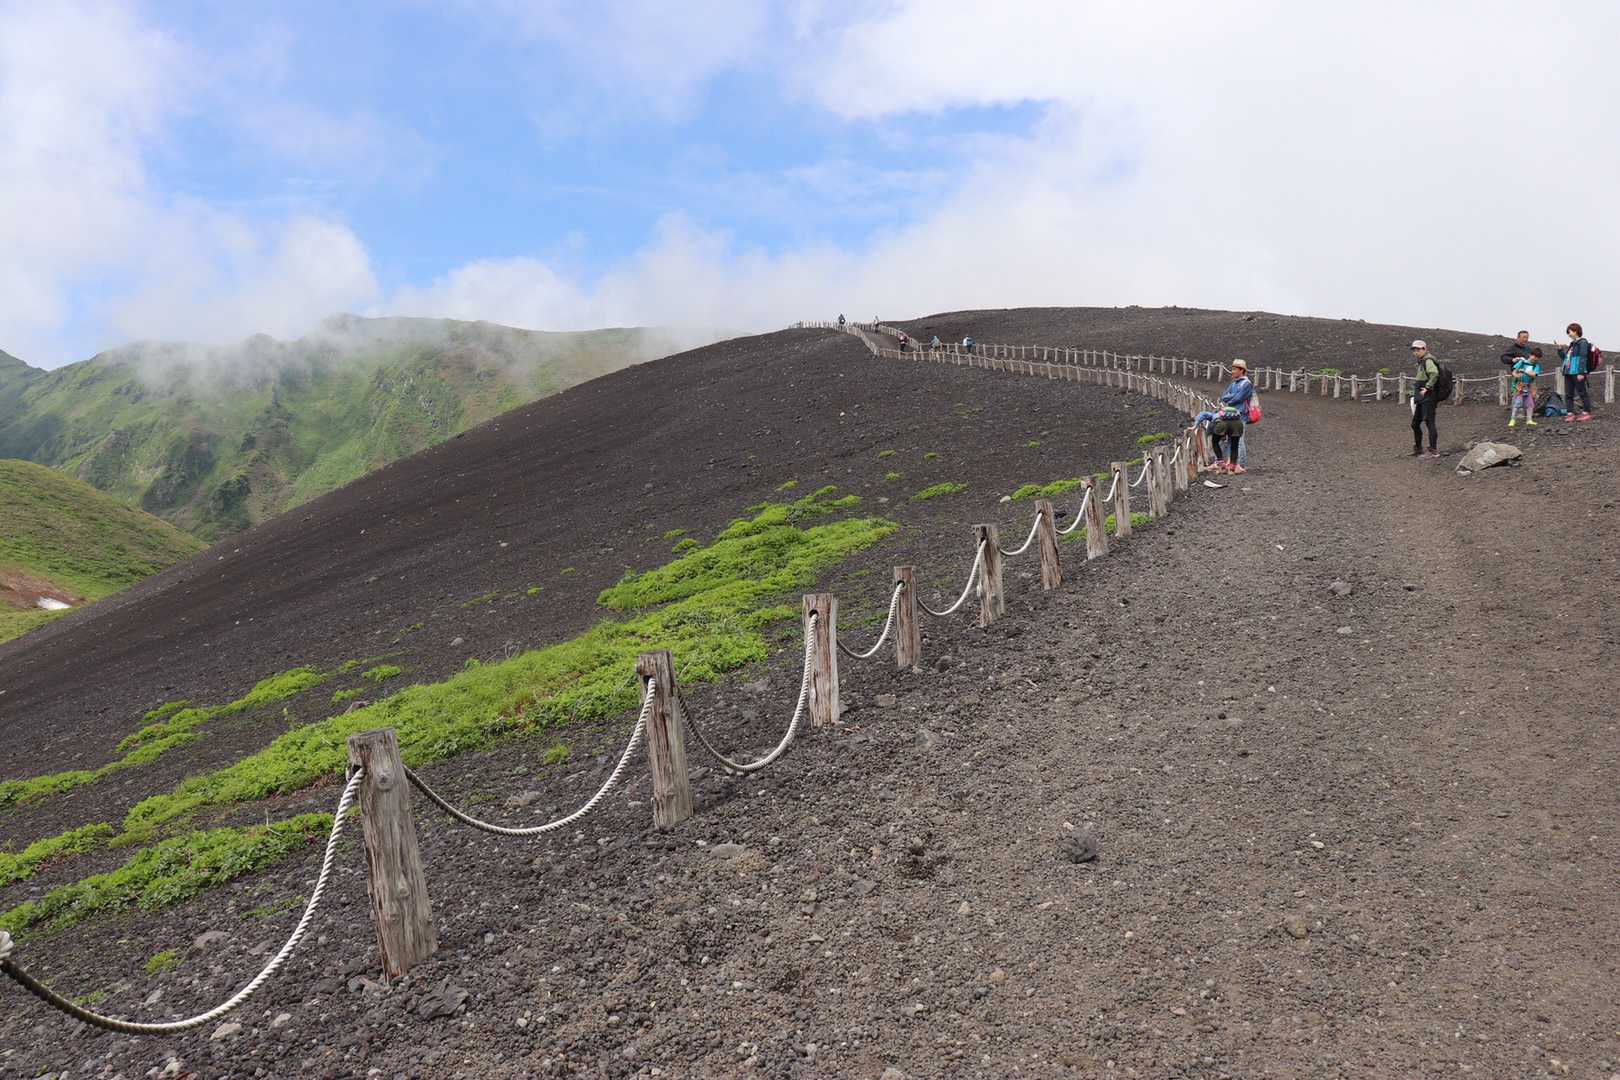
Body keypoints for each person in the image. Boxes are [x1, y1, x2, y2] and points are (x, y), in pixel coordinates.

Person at [1210, 359, 1253, 473]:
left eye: (1234, 369)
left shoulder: (1246, 384)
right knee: (1232, 440)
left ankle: (1240, 464)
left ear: (1242, 370)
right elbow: (1224, 396)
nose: (1232, 371)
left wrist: (1231, 396)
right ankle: (1232, 464)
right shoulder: (1234, 383)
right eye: (1232, 369)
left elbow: (1237, 399)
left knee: (1239, 440)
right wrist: (1232, 396)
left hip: (1241, 415)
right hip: (1231, 415)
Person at [1555, 322, 1594, 422]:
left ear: (1576, 331)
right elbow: (1566, 359)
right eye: (1568, 332)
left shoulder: (1583, 342)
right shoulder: (1572, 344)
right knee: (1568, 393)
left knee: (1582, 392)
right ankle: (1570, 413)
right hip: (1568, 371)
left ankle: (1587, 412)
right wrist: (1560, 350)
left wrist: (1581, 372)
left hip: (1577, 371)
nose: (1569, 334)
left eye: (1570, 332)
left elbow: (1583, 357)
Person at [1409, 340, 1441, 457]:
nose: (1415, 352)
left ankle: (1433, 450)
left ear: (1424, 349)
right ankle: (1418, 449)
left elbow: (1434, 373)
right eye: (1414, 350)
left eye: (1418, 350)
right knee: (1415, 423)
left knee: (1429, 422)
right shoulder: (1422, 361)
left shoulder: (1428, 360)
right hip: (1422, 395)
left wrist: (1427, 387)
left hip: (1428, 396)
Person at [1508, 347, 1541, 428]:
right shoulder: (1522, 362)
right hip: (1519, 386)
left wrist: (1524, 371)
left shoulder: (1536, 366)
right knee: (1517, 403)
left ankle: (1529, 420)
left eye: (1537, 357)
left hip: (1529, 386)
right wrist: (1516, 376)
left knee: (1530, 404)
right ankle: (1512, 420)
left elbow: (1534, 375)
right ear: (1530, 355)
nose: (1535, 358)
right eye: (1534, 356)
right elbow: (1514, 372)